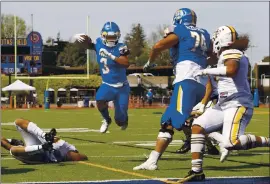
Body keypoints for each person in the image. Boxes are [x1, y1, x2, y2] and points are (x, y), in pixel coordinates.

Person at [180, 26, 270, 182]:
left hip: (237, 103)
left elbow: (231, 70)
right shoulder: (226, 54)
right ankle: (196, 171)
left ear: (221, 38)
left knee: (231, 143)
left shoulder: (231, 52)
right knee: (197, 126)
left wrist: (206, 71)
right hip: (223, 104)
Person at [133, 8, 212, 171]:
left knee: (180, 121)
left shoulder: (180, 30)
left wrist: (150, 62)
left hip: (186, 79)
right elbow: (211, 55)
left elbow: (157, 46)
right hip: (201, 81)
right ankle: (152, 161)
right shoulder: (204, 33)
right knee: (167, 122)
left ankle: (215, 140)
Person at [74, 22, 130, 133]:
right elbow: (89, 44)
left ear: (118, 36)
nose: (111, 39)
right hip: (107, 85)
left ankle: (124, 119)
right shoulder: (99, 43)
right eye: (108, 37)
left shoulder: (121, 47)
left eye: (113, 37)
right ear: (103, 35)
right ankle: (106, 119)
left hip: (122, 87)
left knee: (120, 121)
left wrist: (110, 55)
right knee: (99, 100)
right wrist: (80, 38)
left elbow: (125, 63)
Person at [1, 118, 88, 164]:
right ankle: (44, 140)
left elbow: (82, 156)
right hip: (43, 151)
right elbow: (7, 144)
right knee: (18, 122)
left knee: (13, 149)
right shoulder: (61, 144)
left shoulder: (67, 148)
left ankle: (44, 141)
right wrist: (44, 143)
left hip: (45, 153)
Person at [176, 73, 219, 155]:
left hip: (209, 99)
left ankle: (210, 145)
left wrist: (202, 105)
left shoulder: (198, 67)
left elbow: (209, 88)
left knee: (198, 124)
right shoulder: (183, 70)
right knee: (181, 119)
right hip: (198, 100)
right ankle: (207, 146)